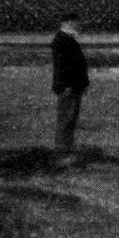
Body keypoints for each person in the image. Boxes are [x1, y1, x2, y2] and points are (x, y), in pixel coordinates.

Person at [49, 12, 90, 156]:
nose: (79, 26)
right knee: (66, 119)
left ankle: (66, 147)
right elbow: (63, 66)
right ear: (68, 22)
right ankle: (62, 149)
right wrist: (66, 85)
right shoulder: (62, 40)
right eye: (76, 23)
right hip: (68, 87)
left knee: (70, 118)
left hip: (72, 86)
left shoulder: (66, 39)